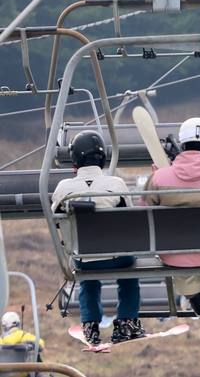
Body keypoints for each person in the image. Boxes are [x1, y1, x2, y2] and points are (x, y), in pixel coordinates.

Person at [142, 118, 200, 334]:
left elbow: (144, 208)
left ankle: (198, 303)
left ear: (183, 145)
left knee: (180, 252)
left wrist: (158, 174)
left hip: (174, 254)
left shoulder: (159, 178)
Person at [51, 131, 144, 346]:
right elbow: (128, 218)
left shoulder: (64, 188)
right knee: (129, 276)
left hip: (83, 257)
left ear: (76, 158)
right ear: (102, 157)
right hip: (118, 257)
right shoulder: (117, 184)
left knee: (87, 278)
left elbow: (56, 220)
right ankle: (126, 322)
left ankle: (90, 326)